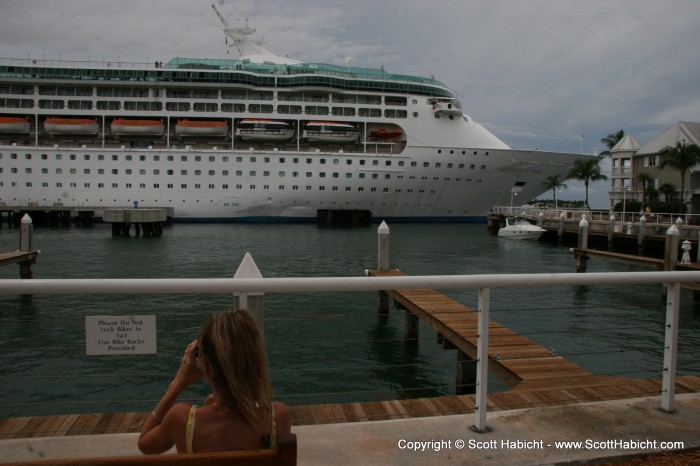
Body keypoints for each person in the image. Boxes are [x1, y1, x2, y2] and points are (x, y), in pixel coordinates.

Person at [138, 309, 291, 454]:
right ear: (256, 360)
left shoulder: (182, 419)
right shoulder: (277, 417)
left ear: (204, 364)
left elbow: (145, 445)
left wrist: (178, 383)